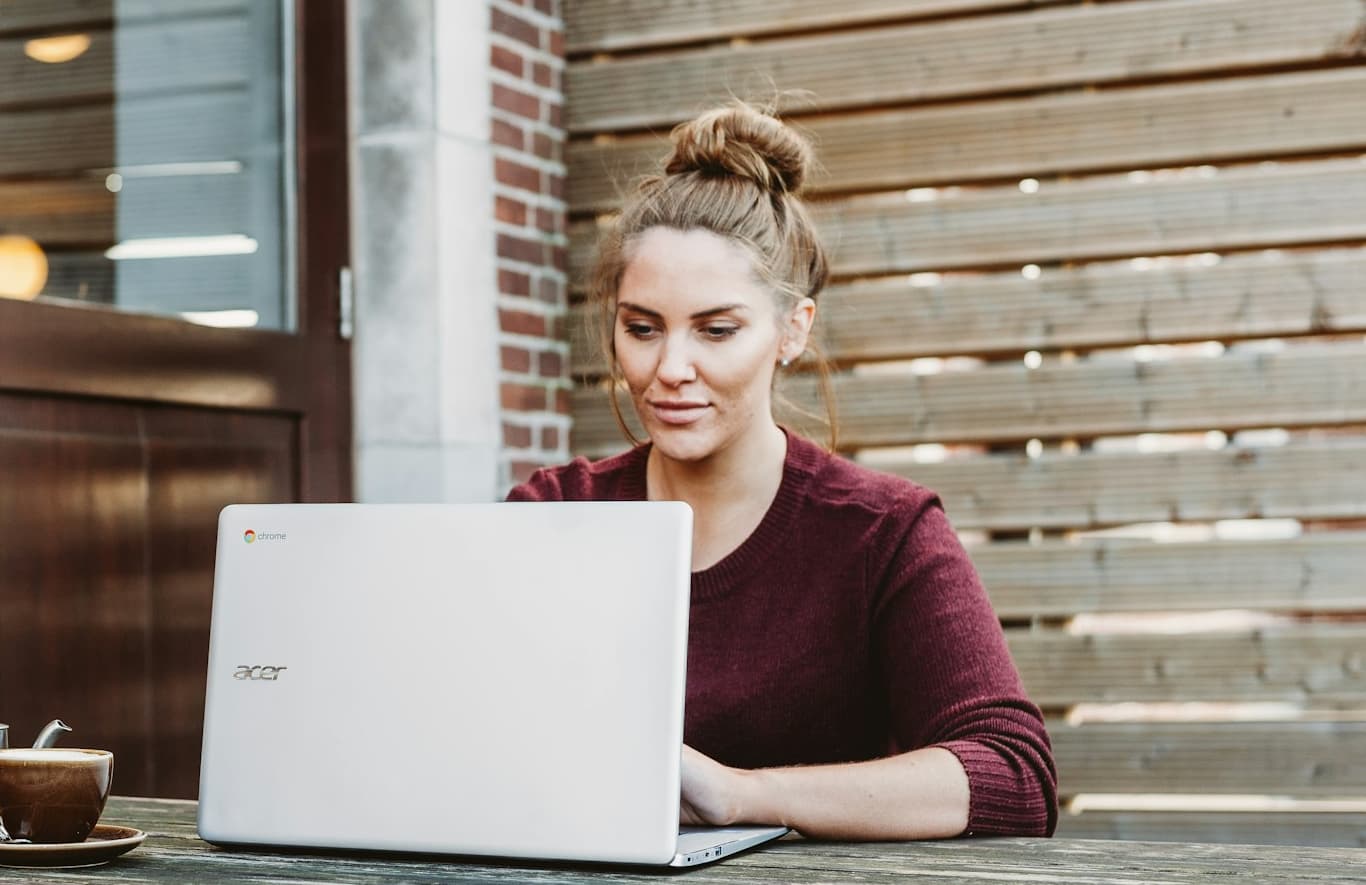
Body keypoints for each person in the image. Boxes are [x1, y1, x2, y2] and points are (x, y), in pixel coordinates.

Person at [507, 102, 1056, 840]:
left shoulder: (883, 532)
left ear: (792, 331)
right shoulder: (553, 511)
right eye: (642, 328)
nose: (670, 369)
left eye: (717, 329)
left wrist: (742, 794)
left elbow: (1014, 775)